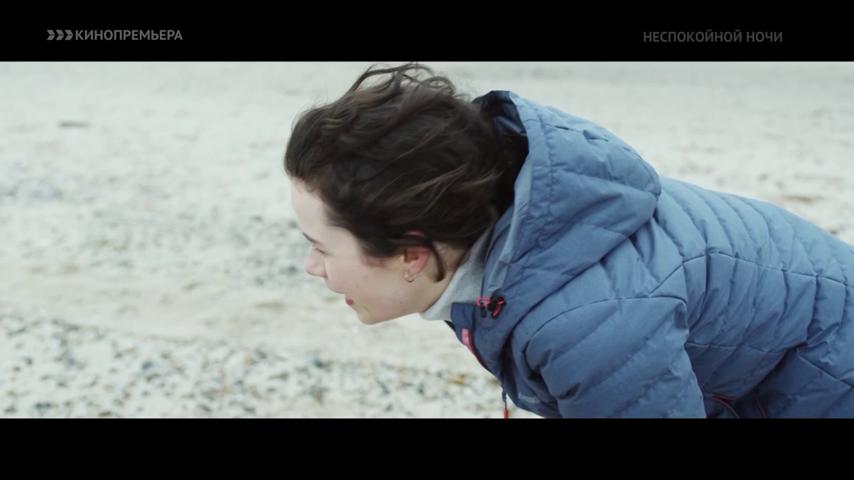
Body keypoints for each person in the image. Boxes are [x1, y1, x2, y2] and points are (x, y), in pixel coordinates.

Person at [284, 63, 854, 418]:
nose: (310, 266)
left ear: (412, 254)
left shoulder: (585, 324)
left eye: (321, 247)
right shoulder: (487, 223)